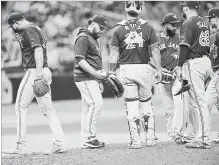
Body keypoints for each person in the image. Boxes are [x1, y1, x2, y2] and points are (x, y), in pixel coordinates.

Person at [2, 13, 66, 154]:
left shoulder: (28, 29)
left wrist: (37, 75)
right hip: (43, 70)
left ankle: (20, 145)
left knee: (20, 106)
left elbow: (38, 51)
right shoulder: (34, 28)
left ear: (16, 22)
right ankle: (60, 143)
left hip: (35, 72)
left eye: (12, 26)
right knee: (48, 110)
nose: (12, 29)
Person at [109, 1, 162, 149]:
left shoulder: (118, 29)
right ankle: (150, 138)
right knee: (146, 103)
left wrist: (112, 72)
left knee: (131, 105)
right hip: (144, 68)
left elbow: (114, 53)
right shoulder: (148, 27)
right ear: (140, 8)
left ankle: (136, 140)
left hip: (126, 69)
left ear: (126, 8)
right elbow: (155, 51)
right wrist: (158, 69)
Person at [175, 1, 212, 149]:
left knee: (198, 102)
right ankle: (198, 136)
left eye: (182, 7)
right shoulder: (204, 22)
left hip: (194, 63)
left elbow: (185, 46)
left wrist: (178, 66)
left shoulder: (187, 23)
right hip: (205, 61)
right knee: (196, 103)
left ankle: (203, 139)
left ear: (186, 8)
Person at [74, 15, 108, 148]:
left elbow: (95, 61)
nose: (102, 31)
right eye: (101, 27)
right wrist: (95, 74)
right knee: (96, 103)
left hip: (90, 77)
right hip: (85, 77)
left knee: (88, 108)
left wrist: (98, 80)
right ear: (93, 24)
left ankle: (86, 137)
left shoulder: (92, 38)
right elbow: (80, 60)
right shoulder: (83, 38)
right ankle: (90, 137)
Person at [158, 13, 189, 141]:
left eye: (176, 24)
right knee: (168, 108)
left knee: (179, 104)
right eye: (172, 24)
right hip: (164, 77)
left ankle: (178, 132)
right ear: (165, 25)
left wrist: (181, 67)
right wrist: (159, 69)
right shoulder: (156, 39)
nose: (175, 27)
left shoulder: (179, 38)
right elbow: (149, 58)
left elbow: (186, 55)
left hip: (176, 76)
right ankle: (171, 135)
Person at [205, 7, 219, 144]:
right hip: (215, 73)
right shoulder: (212, 38)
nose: (209, 22)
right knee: (206, 102)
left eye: (210, 19)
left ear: (216, 18)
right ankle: (205, 136)